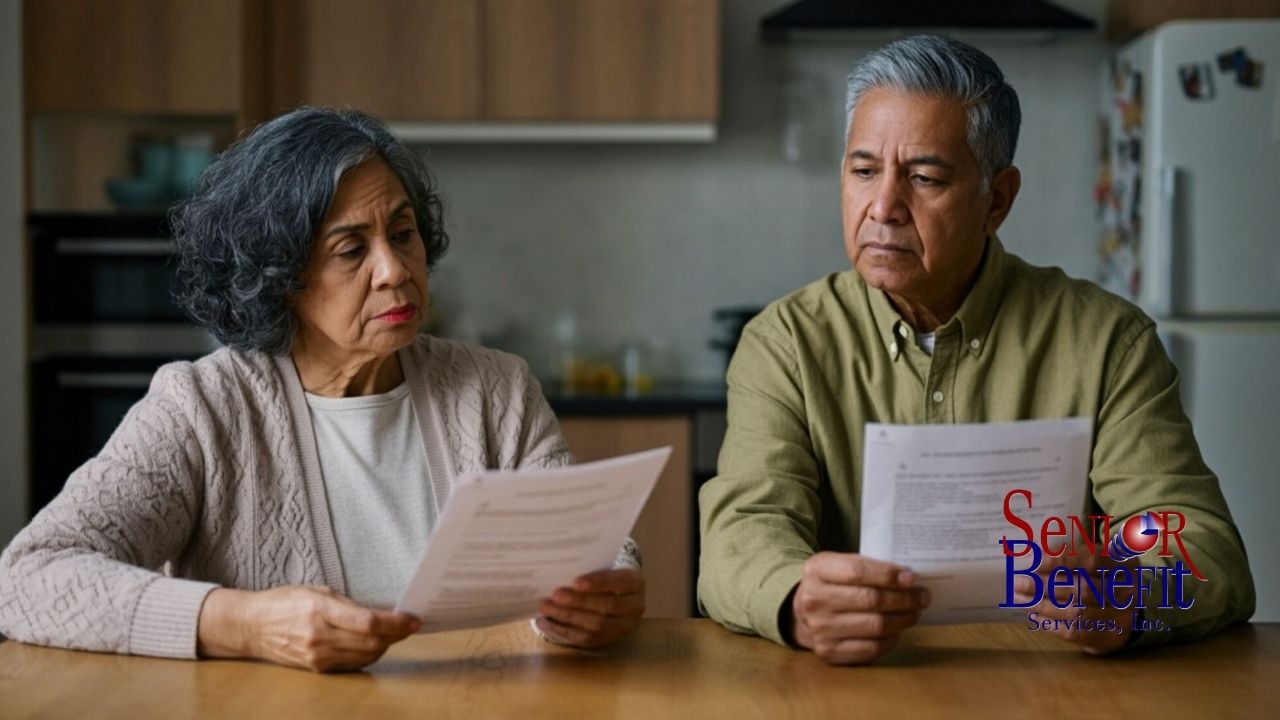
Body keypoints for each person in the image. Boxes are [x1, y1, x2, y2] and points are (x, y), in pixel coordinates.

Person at [0, 107, 644, 672]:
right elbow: (28, 578)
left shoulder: (496, 389)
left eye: (402, 234)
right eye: (350, 249)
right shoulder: (200, 409)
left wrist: (603, 594)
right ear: (280, 277)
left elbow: (594, 549)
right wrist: (244, 624)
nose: (394, 270)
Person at [697, 36, 1255, 665]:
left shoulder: (1107, 342)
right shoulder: (786, 344)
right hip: (857, 683)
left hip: (1055, 687)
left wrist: (1130, 595)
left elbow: (1204, 547)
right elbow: (741, 534)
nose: (884, 207)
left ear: (997, 200)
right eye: (863, 171)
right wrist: (797, 599)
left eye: (924, 178)